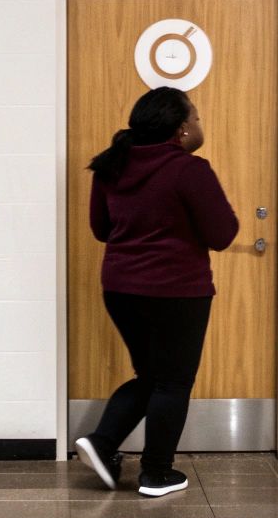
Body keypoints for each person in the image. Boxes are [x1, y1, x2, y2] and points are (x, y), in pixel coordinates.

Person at [73, 87, 238, 497]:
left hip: (120, 290)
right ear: (181, 129)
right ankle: (157, 473)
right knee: (173, 382)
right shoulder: (189, 170)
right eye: (196, 118)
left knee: (151, 376)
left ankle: (102, 443)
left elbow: (101, 229)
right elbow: (222, 234)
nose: (199, 125)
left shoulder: (111, 166)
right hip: (177, 292)